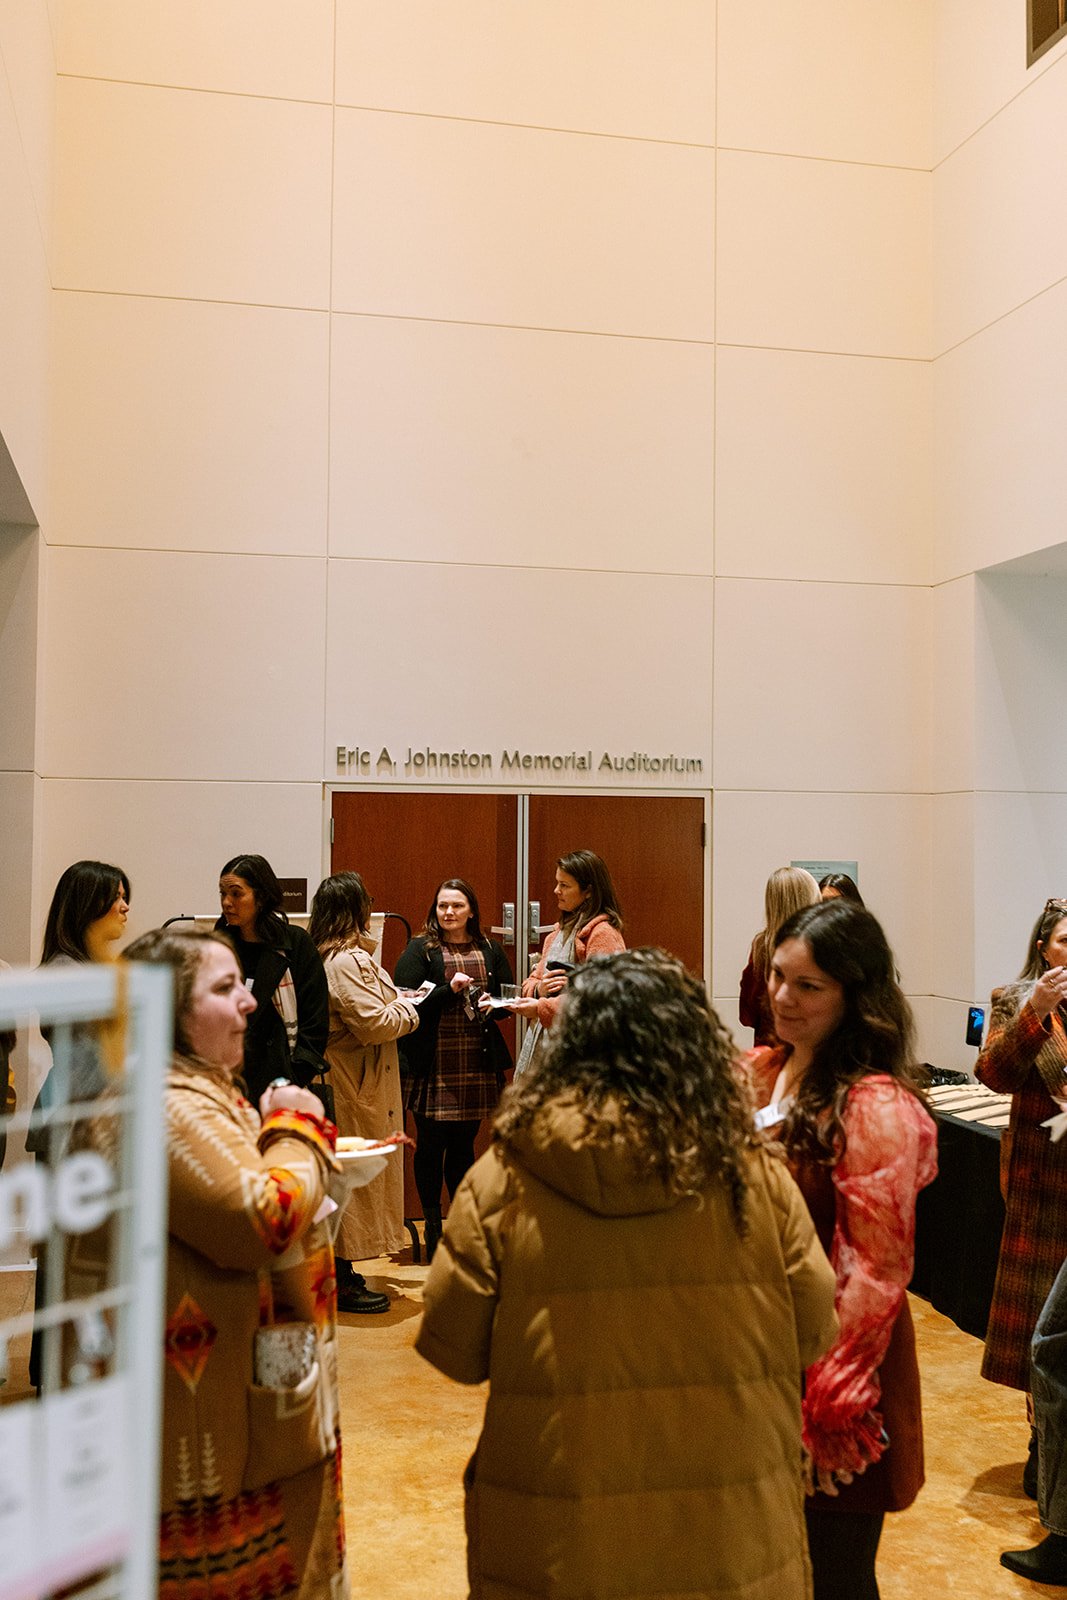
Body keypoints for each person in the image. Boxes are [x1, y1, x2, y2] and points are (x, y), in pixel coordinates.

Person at [417, 948, 839, 1600]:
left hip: (559, 1540)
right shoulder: (755, 1174)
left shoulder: (505, 1177)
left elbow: (453, 1346)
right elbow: (813, 1329)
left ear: (569, 1047)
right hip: (731, 1536)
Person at [125, 926, 348, 1600]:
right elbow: (262, 1218)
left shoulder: (198, 1088)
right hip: (207, 1434)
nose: (250, 1001)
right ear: (166, 1011)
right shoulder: (163, 1104)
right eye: (225, 988)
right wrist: (297, 1128)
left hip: (234, 1395)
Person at [744, 899, 937, 1600]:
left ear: (854, 996)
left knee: (834, 1575)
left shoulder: (874, 1106)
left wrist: (832, 1396)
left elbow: (874, 1272)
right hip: (763, 1353)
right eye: (777, 976)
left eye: (808, 986)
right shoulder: (765, 1069)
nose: (781, 997)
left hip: (839, 1367)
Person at [974, 896, 1067, 1497]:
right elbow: (993, 1074)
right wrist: (1037, 1010)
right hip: (1043, 1187)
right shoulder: (1015, 1000)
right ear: (1044, 947)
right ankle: (1043, 1445)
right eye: (1065, 941)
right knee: (1043, 1328)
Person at [28, 860, 131, 1390]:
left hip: (93, 1121)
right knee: (67, 1256)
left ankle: (68, 1367)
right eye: (115, 897)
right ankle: (55, 1372)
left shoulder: (94, 967)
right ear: (87, 904)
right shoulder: (65, 971)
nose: (125, 907)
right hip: (74, 1120)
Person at [308, 871, 419, 1314]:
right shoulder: (345, 961)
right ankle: (339, 1276)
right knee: (349, 1179)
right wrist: (410, 1009)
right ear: (356, 909)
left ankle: (341, 1271)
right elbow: (375, 1024)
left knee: (344, 1178)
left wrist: (395, 1003)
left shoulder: (332, 955)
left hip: (354, 1077)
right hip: (353, 1082)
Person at [394, 879, 513, 1259]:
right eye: (443, 905)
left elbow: (506, 1000)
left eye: (457, 906)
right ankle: (432, 1224)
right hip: (433, 1060)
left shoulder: (490, 948)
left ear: (471, 910)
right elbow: (406, 1001)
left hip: (474, 1058)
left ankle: (461, 1226)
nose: (449, 912)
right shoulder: (421, 949)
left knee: (464, 1145)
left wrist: (495, 1004)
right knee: (430, 1144)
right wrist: (450, 989)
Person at [216, 853, 330, 1104]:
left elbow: (315, 1020)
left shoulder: (295, 943)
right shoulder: (219, 945)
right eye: (222, 894)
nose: (226, 902)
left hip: (280, 1083)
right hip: (229, 1082)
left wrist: (295, 1077)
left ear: (261, 897)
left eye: (236, 894)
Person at [509, 848, 625, 1076]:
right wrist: (538, 990)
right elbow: (531, 982)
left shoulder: (603, 934)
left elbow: (603, 997)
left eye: (564, 885)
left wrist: (541, 1008)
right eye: (557, 883)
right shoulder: (556, 934)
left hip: (581, 1050)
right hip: (547, 1043)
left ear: (588, 891)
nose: (556, 891)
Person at [740, 866, 821, 1046]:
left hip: (769, 1048)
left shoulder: (762, 947)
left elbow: (747, 1015)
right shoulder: (821, 946)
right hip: (810, 1048)